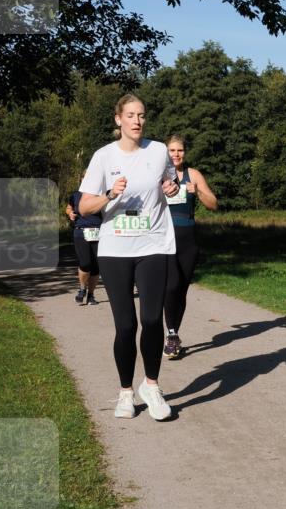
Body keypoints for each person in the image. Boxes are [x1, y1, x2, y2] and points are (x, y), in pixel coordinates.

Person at [78, 94, 180, 421]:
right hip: (115, 249)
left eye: (142, 115)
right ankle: (125, 392)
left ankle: (151, 385)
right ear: (118, 119)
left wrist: (172, 188)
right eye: (131, 115)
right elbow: (84, 207)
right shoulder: (103, 157)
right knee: (126, 325)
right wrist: (110, 194)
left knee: (152, 320)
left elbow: (171, 182)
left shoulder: (159, 150)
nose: (137, 121)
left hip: (153, 245)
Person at [163, 134, 218, 359]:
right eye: (172, 150)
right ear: (166, 153)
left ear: (185, 153)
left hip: (188, 240)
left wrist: (198, 191)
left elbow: (213, 204)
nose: (176, 154)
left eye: (180, 150)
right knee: (171, 285)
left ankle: (174, 334)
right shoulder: (158, 176)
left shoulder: (192, 175)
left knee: (182, 289)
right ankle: (172, 334)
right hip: (165, 239)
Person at [66, 187, 102, 305]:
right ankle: (82, 289)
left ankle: (91, 295)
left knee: (96, 266)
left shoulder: (101, 194)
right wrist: (70, 213)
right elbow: (69, 208)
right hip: (81, 232)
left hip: (99, 232)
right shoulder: (76, 195)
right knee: (85, 263)